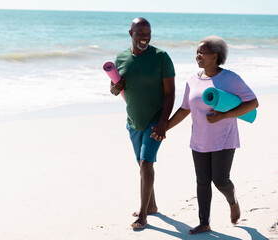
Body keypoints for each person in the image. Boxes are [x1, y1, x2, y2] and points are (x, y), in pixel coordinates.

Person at [157, 35, 259, 234]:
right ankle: (204, 223)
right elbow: (185, 109)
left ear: (215, 56)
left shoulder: (231, 79)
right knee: (202, 181)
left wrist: (225, 115)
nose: (197, 56)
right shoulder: (193, 80)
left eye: (201, 52)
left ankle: (233, 201)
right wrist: (165, 127)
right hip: (199, 139)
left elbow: (253, 103)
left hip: (224, 138)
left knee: (220, 180)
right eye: (196, 52)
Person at [110, 17, 175, 230]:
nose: (145, 38)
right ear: (131, 33)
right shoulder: (121, 58)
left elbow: (170, 93)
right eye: (140, 33)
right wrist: (114, 87)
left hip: (155, 120)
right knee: (141, 163)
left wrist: (163, 123)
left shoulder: (161, 57)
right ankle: (153, 205)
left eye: (148, 33)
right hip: (133, 120)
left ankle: (144, 214)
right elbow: (114, 89)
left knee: (147, 164)